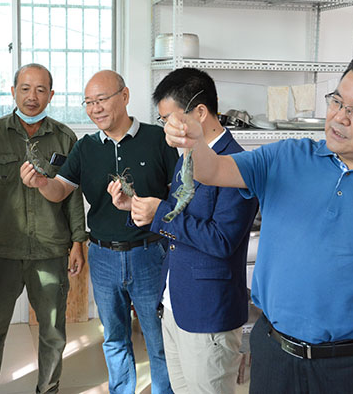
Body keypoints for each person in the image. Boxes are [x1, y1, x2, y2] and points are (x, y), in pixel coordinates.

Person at [163, 49, 353, 394]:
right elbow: (213, 170)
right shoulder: (286, 158)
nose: (339, 118)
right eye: (337, 101)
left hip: (351, 365)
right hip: (274, 352)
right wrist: (193, 141)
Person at [20, 70, 179, 394]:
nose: (95, 108)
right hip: (104, 256)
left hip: (150, 255)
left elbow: (177, 198)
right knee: (114, 338)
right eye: (89, 102)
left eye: (101, 99)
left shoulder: (158, 139)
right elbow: (59, 191)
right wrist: (41, 183)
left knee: (159, 338)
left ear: (125, 96)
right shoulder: (86, 148)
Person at [108, 67, 258, 393]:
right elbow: (178, 219)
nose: (165, 128)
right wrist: (136, 207)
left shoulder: (236, 164)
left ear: (200, 113)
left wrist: (159, 213)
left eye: (169, 119)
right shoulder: (187, 157)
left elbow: (222, 241)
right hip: (175, 302)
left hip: (209, 312)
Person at [0, 63, 87, 394]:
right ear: (13, 91)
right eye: (26, 88)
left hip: (50, 249)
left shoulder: (65, 138)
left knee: (53, 332)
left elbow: (73, 195)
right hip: (2, 249)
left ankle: (48, 390)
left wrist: (78, 242)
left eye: (41, 90)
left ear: (51, 94)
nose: (33, 96)